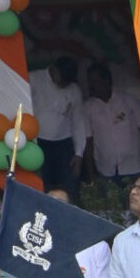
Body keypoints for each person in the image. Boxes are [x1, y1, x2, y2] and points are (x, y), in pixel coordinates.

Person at [82, 63, 140, 185]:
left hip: (134, 167)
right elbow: (88, 141)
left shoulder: (129, 101)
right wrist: (91, 174)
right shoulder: (87, 108)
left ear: (106, 81)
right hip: (106, 170)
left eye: (94, 81)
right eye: (89, 81)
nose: (91, 85)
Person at [29, 56, 87, 197]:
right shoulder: (33, 79)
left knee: (69, 186)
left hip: (64, 144)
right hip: (37, 142)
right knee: (40, 186)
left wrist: (79, 153)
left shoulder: (74, 90)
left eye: (67, 82)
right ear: (53, 70)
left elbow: (78, 121)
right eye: (62, 81)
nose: (63, 85)